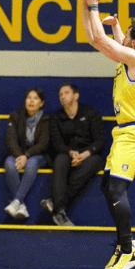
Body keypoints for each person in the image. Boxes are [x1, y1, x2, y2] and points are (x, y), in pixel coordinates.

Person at [79, 0, 135, 269]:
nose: (122, 39)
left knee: (115, 189)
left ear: (133, 44)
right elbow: (95, 39)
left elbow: (100, 39)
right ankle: (126, 244)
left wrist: (94, 5)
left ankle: (128, 248)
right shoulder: (130, 57)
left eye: (127, 37)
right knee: (106, 186)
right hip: (125, 133)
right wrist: (87, 6)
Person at [41, 84, 105, 226]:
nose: (63, 96)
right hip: (66, 154)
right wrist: (71, 153)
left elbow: (100, 141)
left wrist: (83, 155)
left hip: (87, 155)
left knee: (96, 161)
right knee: (60, 160)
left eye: (66, 93)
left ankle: (56, 204)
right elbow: (56, 143)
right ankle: (60, 210)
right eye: (61, 94)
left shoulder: (90, 114)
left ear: (76, 96)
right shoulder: (56, 118)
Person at [3, 87, 50, 220]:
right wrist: (20, 156)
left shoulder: (46, 119)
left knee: (31, 163)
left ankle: (16, 201)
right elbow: (11, 140)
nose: (31, 101)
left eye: (35, 98)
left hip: (39, 156)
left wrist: (27, 155)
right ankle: (21, 206)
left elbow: (44, 144)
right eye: (29, 98)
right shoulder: (15, 116)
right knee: (8, 163)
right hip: (19, 155)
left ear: (41, 103)